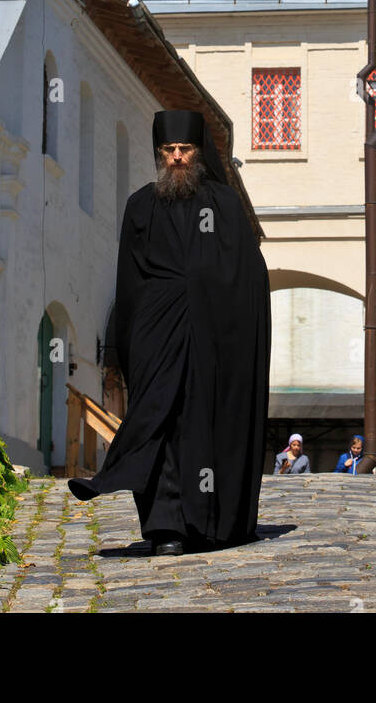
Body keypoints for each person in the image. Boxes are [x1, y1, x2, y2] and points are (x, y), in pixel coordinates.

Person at [68, 109, 271, 556]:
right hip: (155, 335)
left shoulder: (223, 205)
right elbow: (127, 278)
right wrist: (122, 345)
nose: (177, 158)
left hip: (212, 340)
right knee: (157, 421)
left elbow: (248, 276)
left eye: (185, 149)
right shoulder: (141, 205)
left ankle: (208, 523)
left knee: (200, 426)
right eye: (168, 151)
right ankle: (165, 528)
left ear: (198, 152)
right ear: (158, 154)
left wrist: (221, 311)